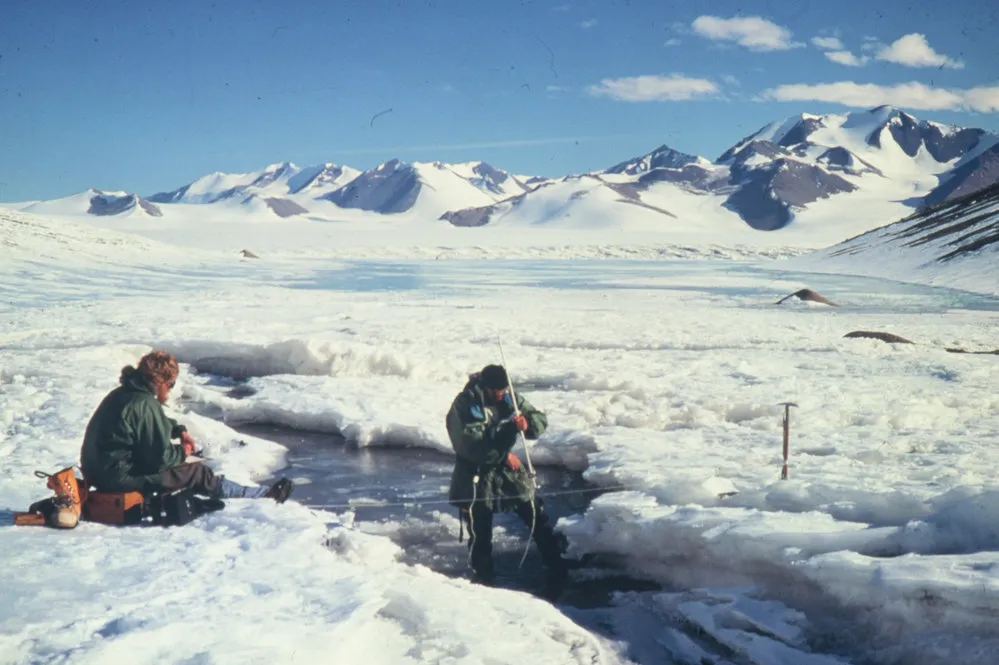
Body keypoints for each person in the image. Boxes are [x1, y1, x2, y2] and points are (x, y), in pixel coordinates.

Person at [80, 351, 293, 503]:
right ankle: (262, 496)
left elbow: (151, 425)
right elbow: (159, 458)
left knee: (184, 465)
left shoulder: (125, 394)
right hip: (117, 478)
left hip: (100, 471)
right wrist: (183, 452)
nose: (171, 389)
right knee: (195, 472)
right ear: (160, 381)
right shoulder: (144, 403)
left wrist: (178, 430)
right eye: (171, 384)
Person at [446, 364, 569, 593]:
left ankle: (557, 565)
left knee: (534, 513)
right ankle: (483, 581)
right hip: (476, 475)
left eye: (503, 390)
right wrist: (506, 445)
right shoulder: (464, 405)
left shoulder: (509, 396)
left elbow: (538, 418)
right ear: (485, 387)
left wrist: (528, 424)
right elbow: (472, 447)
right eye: (497, 391)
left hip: (507, 474)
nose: (501, 395)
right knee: (480, 532)